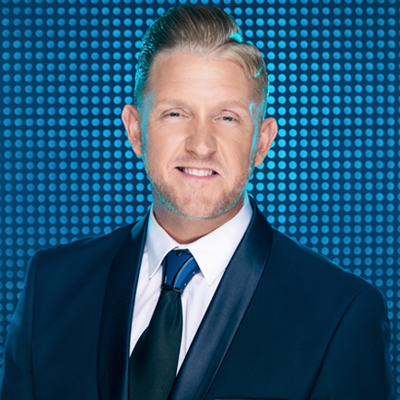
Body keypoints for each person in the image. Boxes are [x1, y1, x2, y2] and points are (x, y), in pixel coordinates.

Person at [0, 4, 394, 400]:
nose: (201, 145)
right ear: (136, 131)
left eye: (227, 118)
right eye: (176, 113)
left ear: (262, 142)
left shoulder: (342, 314)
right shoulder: (50, 286)